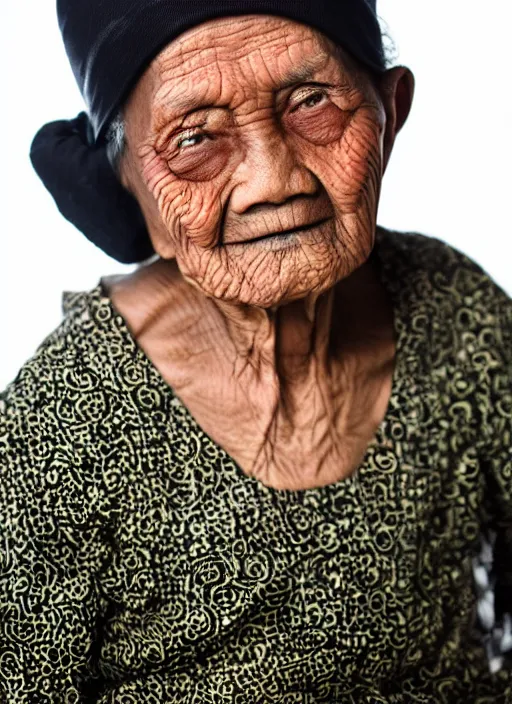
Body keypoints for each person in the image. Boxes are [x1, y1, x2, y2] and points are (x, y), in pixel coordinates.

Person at [1, 0, 511, 701]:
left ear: (390, 114)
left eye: (311, 101)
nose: (273, 179)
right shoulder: (63, 426)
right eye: (194, 138)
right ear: (129, 183)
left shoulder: (460, 313)